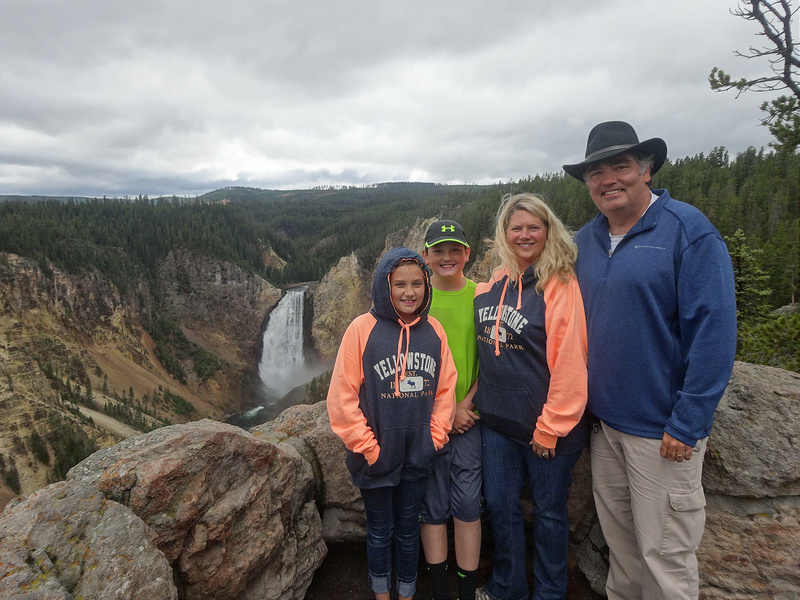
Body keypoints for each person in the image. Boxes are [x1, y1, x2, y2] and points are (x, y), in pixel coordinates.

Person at [564, 120, 737, 600]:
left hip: (663, 436)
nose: (608, 180)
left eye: (620, 166)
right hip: (605, 430)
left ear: (645, 169)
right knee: (624, 556)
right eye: (596, 172)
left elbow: (715, 333)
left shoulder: (687, 230)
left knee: (665, 560)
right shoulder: (586, 242)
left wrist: (689, 421)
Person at [472, 193, 590, 600]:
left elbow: (571, 360)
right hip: (497, 425)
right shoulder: (493, 285)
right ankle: (508, 587)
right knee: (501, 510)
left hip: (547, 431)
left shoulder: (559, 284)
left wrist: (551, 427)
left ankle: (550, 593)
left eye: (533, 227)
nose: (524, 235)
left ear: (547, 231)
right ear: (505, 234)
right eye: (516, 227)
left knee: (550, 515)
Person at [326, 246, 458, 600]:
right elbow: (341, 396)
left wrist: (433, 440)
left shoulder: (434, 332)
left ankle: (407, 591)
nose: (409, 292)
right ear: (385, 285)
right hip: (375, 460)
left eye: (417, 283)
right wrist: (370, 449)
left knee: (407, 530)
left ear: (427, 285)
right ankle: (382, 594)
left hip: (417, 456)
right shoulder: (362, 329)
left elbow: (446, 390)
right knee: (380, 530)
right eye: (400, 284)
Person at [420, 220, 482, 600]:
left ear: (467, 255)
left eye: (454, 249)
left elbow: (492, 359)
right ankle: (441, 589)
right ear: (425, 255)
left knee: (467, 504)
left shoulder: (482, 295)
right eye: (439, 250)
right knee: (432, 506)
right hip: (428, 420)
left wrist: (465, 404)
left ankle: (467, 587)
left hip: (469, 419)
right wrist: (443, 411)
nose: (447, 257)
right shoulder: (415, 299)